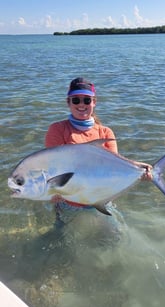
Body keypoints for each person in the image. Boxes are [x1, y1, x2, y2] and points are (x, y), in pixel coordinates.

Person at [44, 77, 152, 244]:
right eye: (76, 100)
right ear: (68, 102)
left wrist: (138, 169)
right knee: (61, 241)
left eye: (87, 99)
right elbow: (52, 168)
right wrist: (50, 191)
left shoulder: (105, 132)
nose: (82, 104)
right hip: (68, 203)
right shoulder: (57, 129)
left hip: (101, 200)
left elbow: (115, 166)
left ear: (94, 102)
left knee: (115, 239)